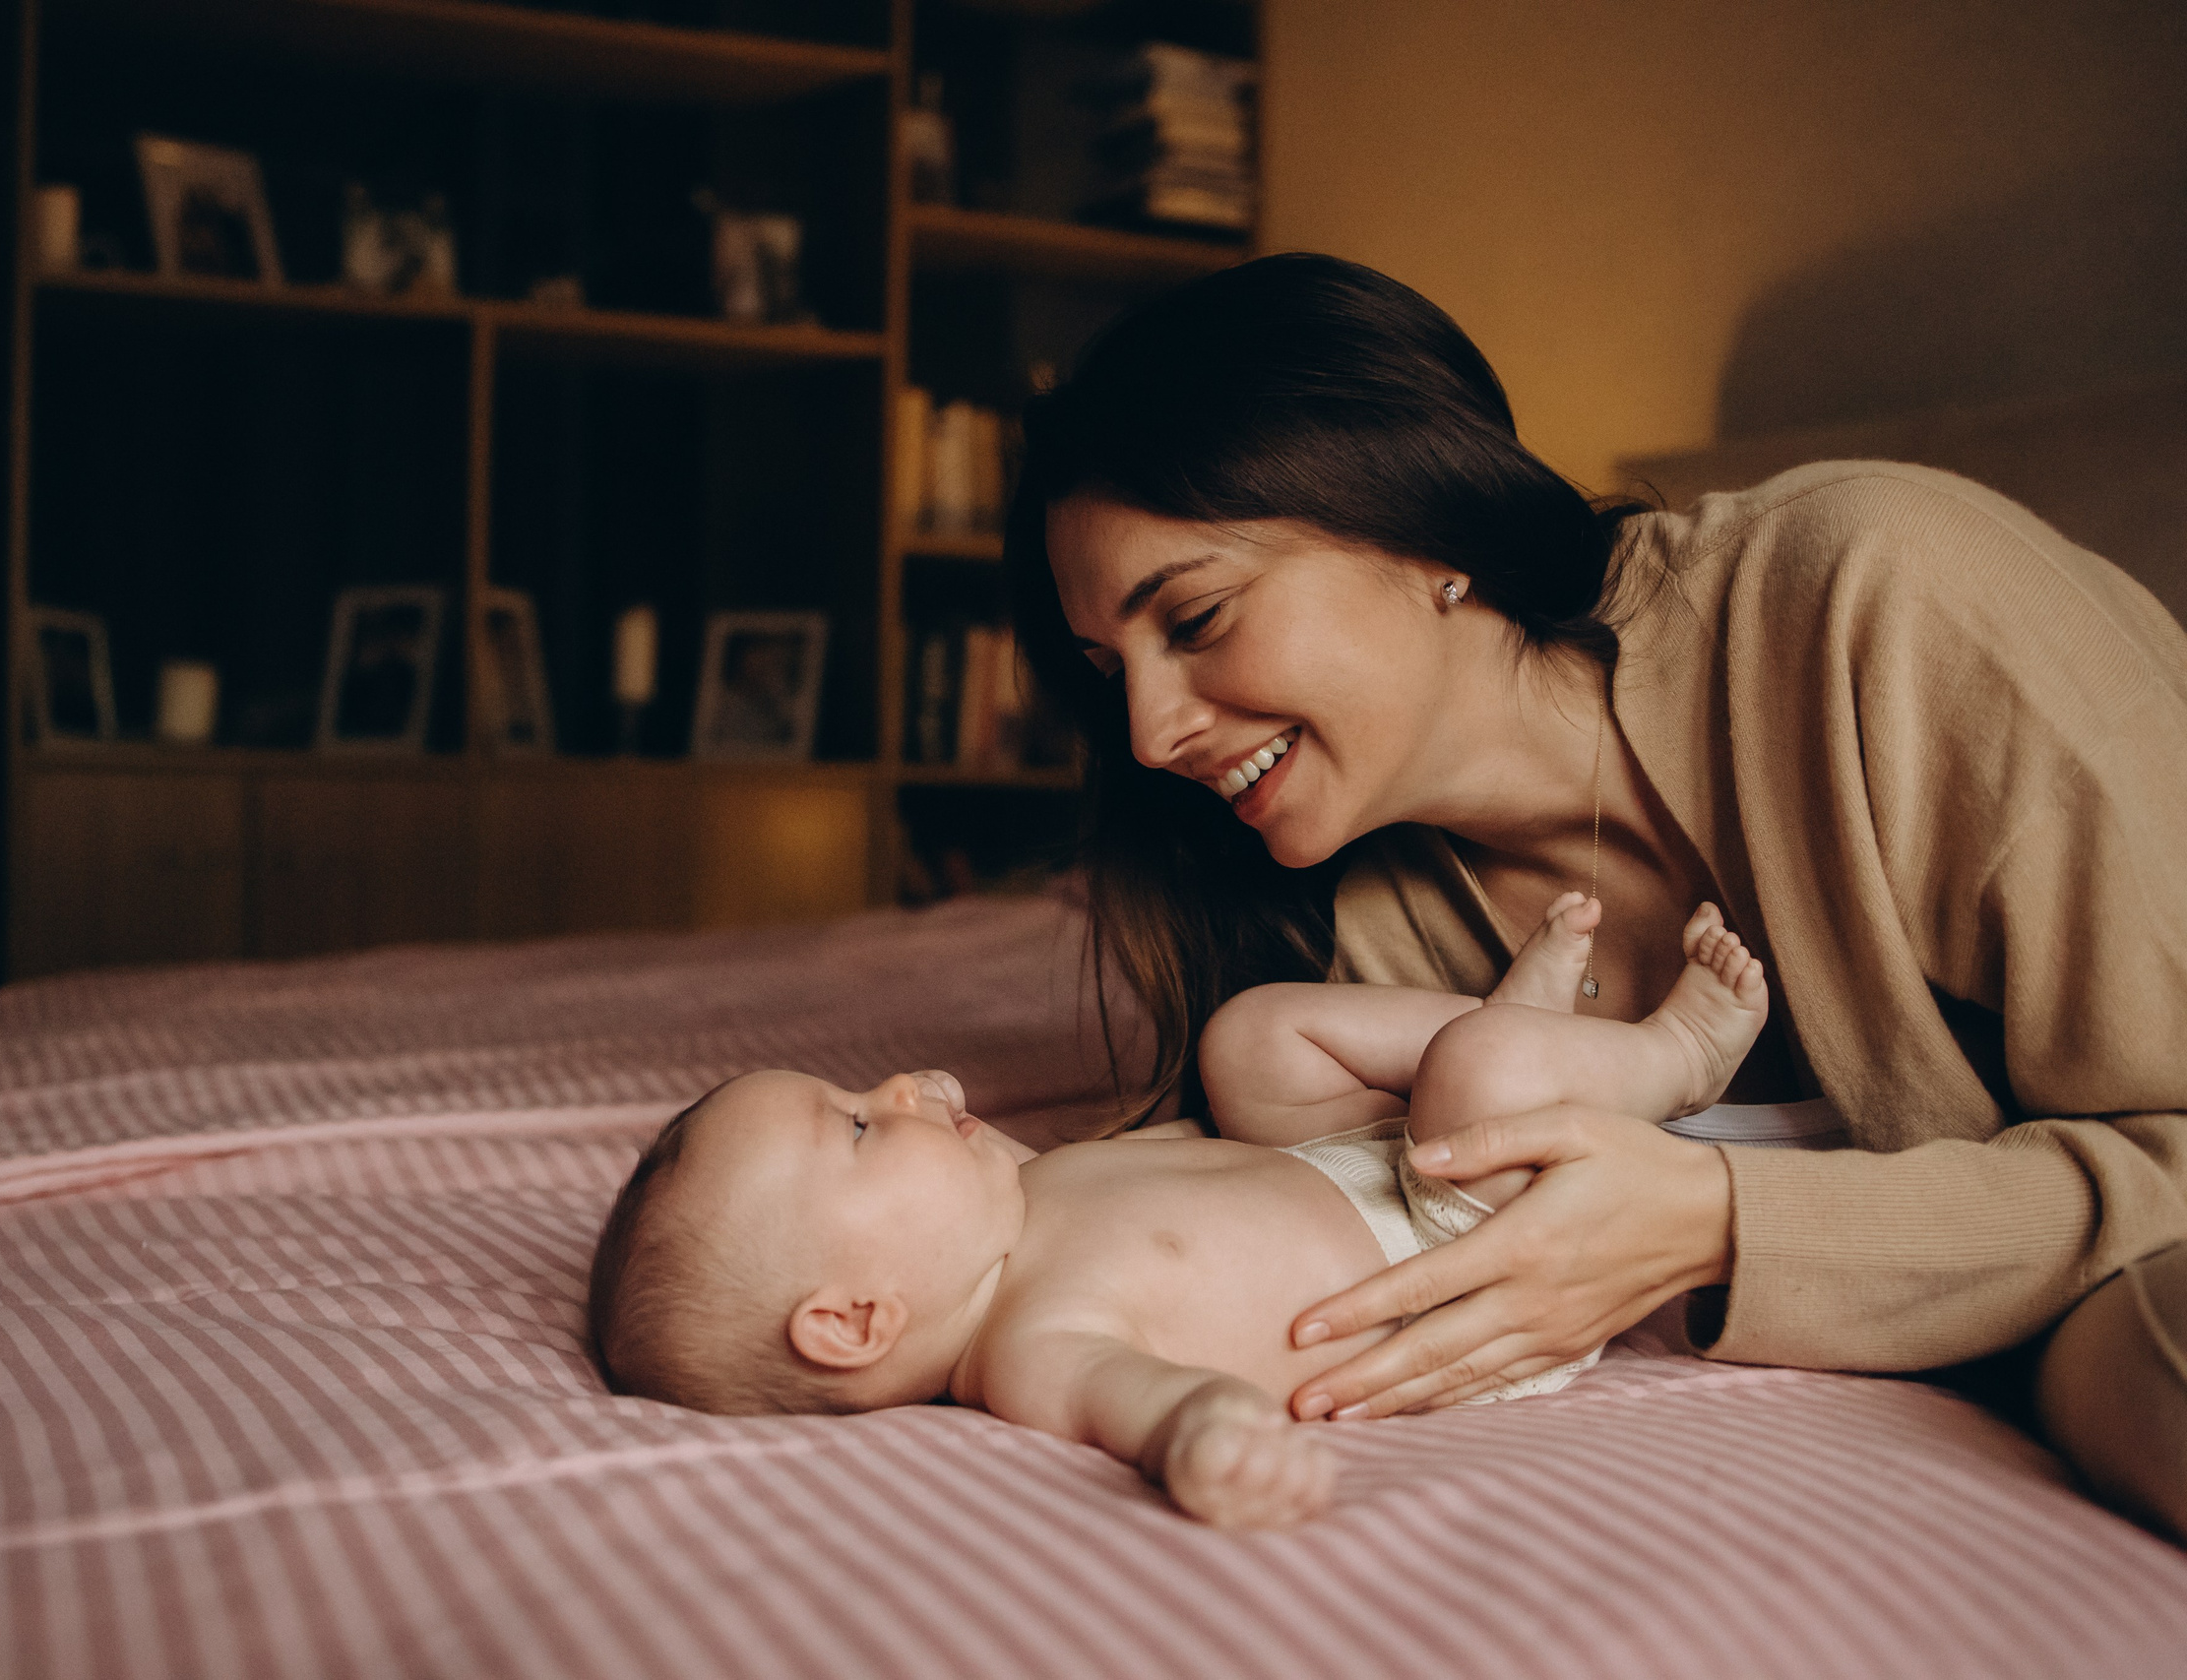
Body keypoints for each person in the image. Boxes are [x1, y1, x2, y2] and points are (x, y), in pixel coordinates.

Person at [1002, 251, 2187, 1535]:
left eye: (1197, 615)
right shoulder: (1358, 943)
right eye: (1105, 669)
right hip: (2048, 1301)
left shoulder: (1881, 601)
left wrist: (1724, 1222)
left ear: (1420, 527)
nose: (1149, 733)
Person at [587, 900, 1772, 1526]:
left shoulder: (1017, 1190)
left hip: (1357, 1160)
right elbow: (1148, 1406)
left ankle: (1504, 1026)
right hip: (1465, 1259)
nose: (897, 1088)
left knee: (1247, 1039)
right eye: (854, 1127)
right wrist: (1207, 1438)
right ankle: (1670, 1055)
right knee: (1477, 1086)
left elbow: (1199, 1155)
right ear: (853, 1319)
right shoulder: (1031, 1348)